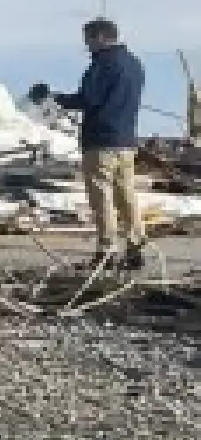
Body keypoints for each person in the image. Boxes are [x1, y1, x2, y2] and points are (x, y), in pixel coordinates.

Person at [30, 19, 149, 269]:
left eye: (88, 39)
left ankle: (106, 250)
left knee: (101, 196)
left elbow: (88, 99)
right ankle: (135, 245)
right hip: (126, 140)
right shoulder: (135, 64)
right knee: (126, 194)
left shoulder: (103, 64)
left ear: (101, 38)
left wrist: (54, 97)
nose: (86, 46)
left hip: (100, 141)